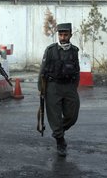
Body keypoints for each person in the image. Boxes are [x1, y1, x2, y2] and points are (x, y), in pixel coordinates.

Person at [38, 23, 80, 157]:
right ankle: (60, 141)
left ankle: (58, 130)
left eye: (65, 35)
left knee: (72, 116)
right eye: (60, 35)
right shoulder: (50, 50)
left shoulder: (74, 50)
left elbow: (77, 70)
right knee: (54, 117)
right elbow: (42, 70)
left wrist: (74, 87)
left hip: (69, 87)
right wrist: (42, 89)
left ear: (70, 35)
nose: (63, 37)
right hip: (53, 87)